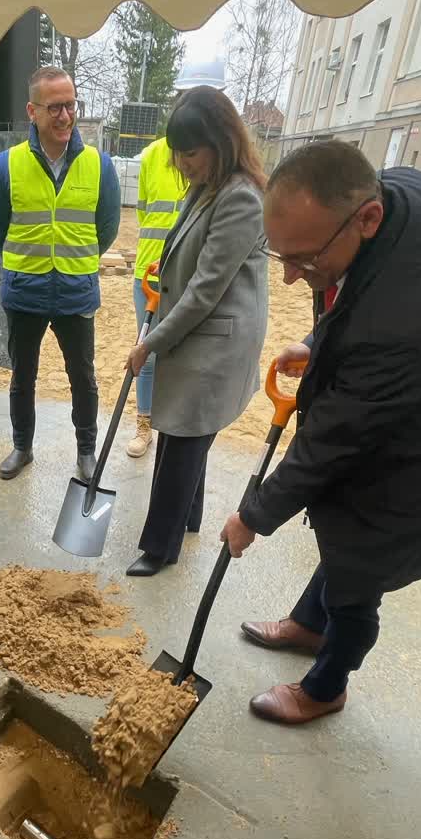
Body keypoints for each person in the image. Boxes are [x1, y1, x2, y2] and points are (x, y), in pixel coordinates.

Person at [221, 140, 421, 725]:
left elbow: (330, 443)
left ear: (367, 218)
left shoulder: (403, 325)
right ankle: (309, 625)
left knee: (360, 565)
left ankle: (326, 685)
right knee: (343, 536)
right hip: (412, 407)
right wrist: (317, 342)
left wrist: (253, 515)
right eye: (280, 256)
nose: (290, 277)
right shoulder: (403, 188)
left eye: (305, 259)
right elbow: (358, 293)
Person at [124, 88, 268, 577]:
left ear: (221, 142)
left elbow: (206, 290)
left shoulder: (241, 198)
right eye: (177, 154)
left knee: (181, 440)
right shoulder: (209, 185)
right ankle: (188, 519)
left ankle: (159, 549)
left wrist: (149, 343)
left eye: (190, 153)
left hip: (216, 341)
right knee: (189, 431)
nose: (182, 164)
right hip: (199, 333)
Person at [0, 66, 121, 483]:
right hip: (24, 291)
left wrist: (75, 261)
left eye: (71, 105)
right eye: (55, 107)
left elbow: (106, 229)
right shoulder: (6, 165)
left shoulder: (99, 165)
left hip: (76, 291)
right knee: (22, 377)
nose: (65, 116)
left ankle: (86, 452)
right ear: (33, 111)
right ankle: (22, 447)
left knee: (83, 377)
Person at [124, 135, 189, 459]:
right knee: (146, 353)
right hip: (148, 271)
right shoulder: (152, 153)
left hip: (186, 273)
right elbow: (143, 211)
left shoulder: (210, 153)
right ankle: (144, 425)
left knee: (183, 355)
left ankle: (176, 430)